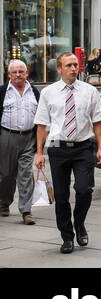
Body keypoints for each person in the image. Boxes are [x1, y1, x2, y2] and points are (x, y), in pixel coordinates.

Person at [34, 50, 101, 253]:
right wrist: (39, 153)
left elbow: (98, 120)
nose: (74, 68)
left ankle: (80, 223)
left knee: (84, 190)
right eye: (69, 65)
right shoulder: (48, 93)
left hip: (84, 147)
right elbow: (41, 125)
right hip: (58, 148)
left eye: (75, 65)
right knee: (61, 194)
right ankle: (66, 237)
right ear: (59, 69)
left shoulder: (89, 91)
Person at [0, 60, 41, 224]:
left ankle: (26, 211)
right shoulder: (3, 91)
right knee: (6, 175)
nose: (18, 75)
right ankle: (4, 202)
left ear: (26, 74)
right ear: (9, 75)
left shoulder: (34, 92)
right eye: (14, 72)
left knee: (25, 174)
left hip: (28, 138)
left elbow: (41, 117)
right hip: (6, 136)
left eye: (21, 72)